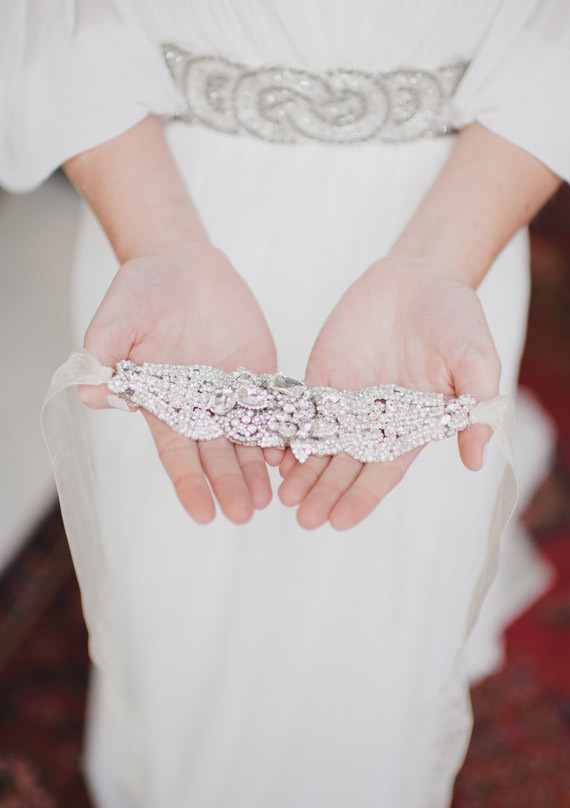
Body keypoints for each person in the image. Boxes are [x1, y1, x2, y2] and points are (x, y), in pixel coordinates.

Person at [1, 1, 568, 806]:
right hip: (165, 205)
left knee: (383, 591)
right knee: (179, 579)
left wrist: (441, 263)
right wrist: (155, 238)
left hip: (453, 220)